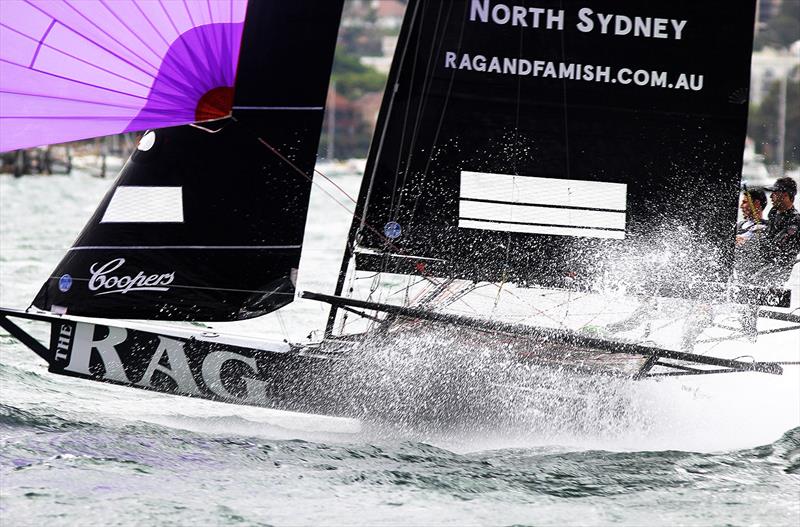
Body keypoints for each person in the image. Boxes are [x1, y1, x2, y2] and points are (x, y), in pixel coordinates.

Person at [756, 176, 800, 286]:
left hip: (776, 274)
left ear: (785, 195)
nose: (770, 196)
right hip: (761, 265)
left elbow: (775, 246)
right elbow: (769, 232)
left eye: (774, 193)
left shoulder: (795, 221)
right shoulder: (774, 212)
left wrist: (752, 242)